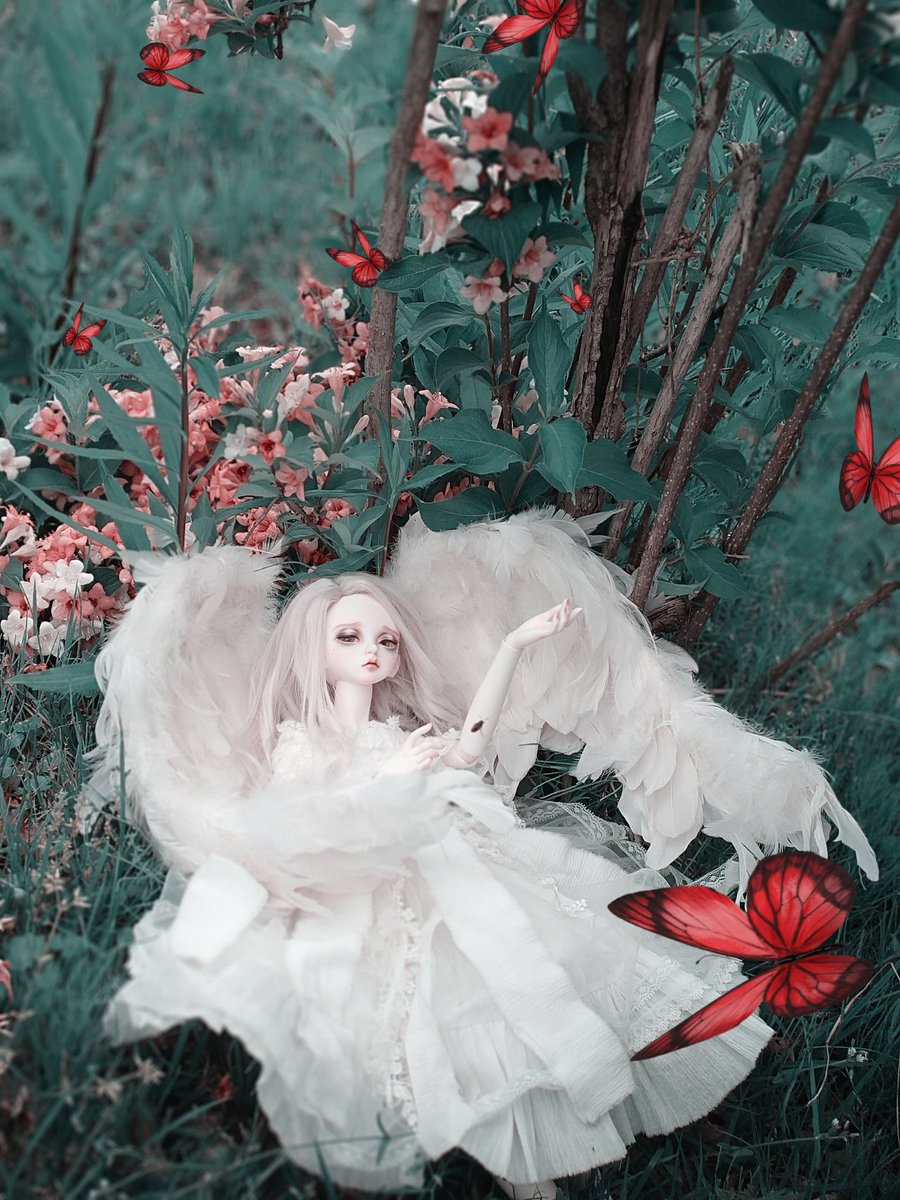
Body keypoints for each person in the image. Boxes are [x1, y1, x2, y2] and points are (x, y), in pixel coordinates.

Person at [101, 563, 774, 1196]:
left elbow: (467, 750)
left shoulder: (394, 731)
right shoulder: (302, 744)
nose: (371, 652)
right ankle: (498, 1144)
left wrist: (511, 647)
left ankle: (541, 1142)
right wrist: (388, 784)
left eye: (385, 640)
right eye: (349, 637)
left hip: (456, 865)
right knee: (443, 1012)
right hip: (376, 889)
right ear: (314, 648)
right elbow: (305, 824)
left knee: (535, 968)